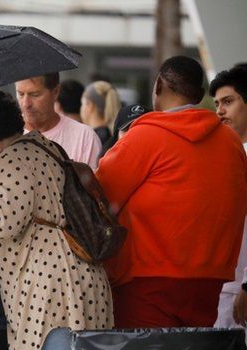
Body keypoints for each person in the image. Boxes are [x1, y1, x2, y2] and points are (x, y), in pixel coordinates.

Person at [0, 90, 113, 350]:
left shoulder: (13, 158)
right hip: (83, 277)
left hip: (50, 291)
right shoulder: (45, 147)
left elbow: (1, 221)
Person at [97, 55, 247, 328]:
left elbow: (101, 197)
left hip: (145, 280)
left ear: (157, 87)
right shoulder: (232, 144)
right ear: (201, 95)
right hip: (210, 280)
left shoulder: (144, 136)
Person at [209, 66, 247, 328]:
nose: (220, 111)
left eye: (228, 101)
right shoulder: (225, 153)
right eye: (216, 104)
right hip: (222, 287)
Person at [16, 73, 102, 169]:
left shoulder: (84, 137)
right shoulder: (5, 136)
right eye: (20, 94)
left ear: (56, 92)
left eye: (35, 95)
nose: (26, 103)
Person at [80, 81, 121, 147]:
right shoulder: (112, 135)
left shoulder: (94, 138)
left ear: (90, 106)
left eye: (82, 104)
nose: (81, 108)